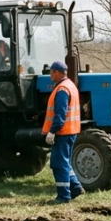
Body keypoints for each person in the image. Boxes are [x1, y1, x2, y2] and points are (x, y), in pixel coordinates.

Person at [42, 60, 84, 203]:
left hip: (63, 132)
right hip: (71, 131)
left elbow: (60, 114)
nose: (50, 75)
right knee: (65, 162)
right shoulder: (70, 86)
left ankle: (63, 196)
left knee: (58, 164)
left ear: (57, 72)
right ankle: (76, 187)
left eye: (51, 72)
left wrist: (52, 131)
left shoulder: (61, 90)